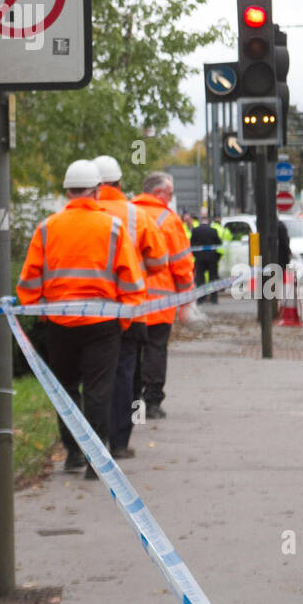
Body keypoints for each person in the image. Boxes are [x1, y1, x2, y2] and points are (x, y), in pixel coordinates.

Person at [17, 158, 144, 477]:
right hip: (103, 324)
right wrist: (124, 319)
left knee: (66, 388)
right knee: (99, 390)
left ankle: (73, 452)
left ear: (67, 192)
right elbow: (131, 279)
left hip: (59, 322)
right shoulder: (112, 227)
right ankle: (95, 459)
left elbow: (29, 280)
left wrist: (39, 312)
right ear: (97, 192)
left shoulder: (48, 227)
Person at [93, 154, 168, 457]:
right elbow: (160, 261)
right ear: (120, 183)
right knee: (125, 372)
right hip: (129, 307)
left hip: (88, 309)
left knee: (93, 376)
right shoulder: (136, 215)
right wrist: (139, 271)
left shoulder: (76, 214)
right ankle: (120, 441)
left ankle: (88, 443)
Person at [129, 172, 195, 419]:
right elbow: (181, 262)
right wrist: (186, 297)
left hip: (130, 300)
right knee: (156, 350)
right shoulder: (169, 220)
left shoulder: (127, 215)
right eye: (169, 193)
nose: (171, 198)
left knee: (132, 353)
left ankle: (131, 401)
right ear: (158, 193)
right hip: (161, 301)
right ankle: (153, 402)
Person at [190, 216, 221, 301]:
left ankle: (201, 298)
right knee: (213, 278)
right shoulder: (213, 231)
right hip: (212, 258)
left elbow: (191, 244)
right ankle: (213, 298)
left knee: (200, 279)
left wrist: (196, 255)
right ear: (208, 222)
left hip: (200, 258)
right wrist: (216, 256)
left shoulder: (196, 231)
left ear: (200, 221)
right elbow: (219, 243)